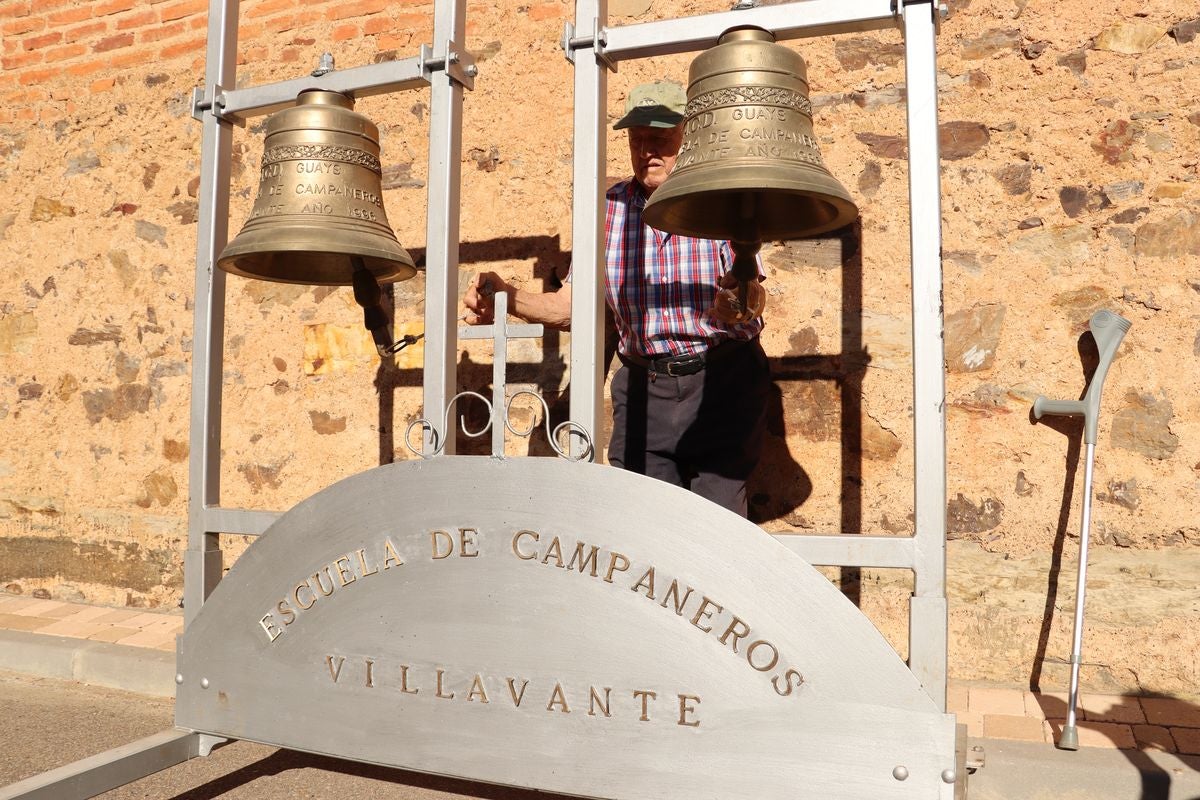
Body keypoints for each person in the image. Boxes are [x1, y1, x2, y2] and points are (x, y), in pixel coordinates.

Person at [463, 80, 770, 517]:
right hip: (645, 386)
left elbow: (753, 295)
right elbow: (573, 308)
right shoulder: (607, 209)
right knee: (639, 526)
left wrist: (738, 303)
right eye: (637, 138)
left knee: (717, 532)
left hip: (721, 382)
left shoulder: (716, 198)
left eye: (660, 136)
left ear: (688, 135)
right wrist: (505, 295)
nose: (647, 149)